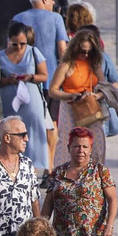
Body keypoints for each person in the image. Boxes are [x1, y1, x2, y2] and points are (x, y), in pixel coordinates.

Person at [41, 128, 117, 236]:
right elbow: (48, 203)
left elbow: (113, 200)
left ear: (90, 149)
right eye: (76, 146)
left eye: (85, 147)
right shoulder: (58, 172)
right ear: (69, 147)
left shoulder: (100, 171)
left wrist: (110, 225)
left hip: (91, 235)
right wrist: (41, 228)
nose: (81, 151)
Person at [47, 30, 108, 163]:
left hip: (90, 105)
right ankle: (64, 174)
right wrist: (70, 95)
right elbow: (53, 90)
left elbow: (105, 87)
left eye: (89, 52)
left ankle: (94, 175)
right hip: (70, 105)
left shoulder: (94, 65)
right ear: (75, 48)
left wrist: (96, 95)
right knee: (68, 142)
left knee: (97, 143)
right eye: (82, 51)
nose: (85, 55)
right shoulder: (66, 65)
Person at [0, 22, 50, 172]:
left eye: (23, 43)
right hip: (9, 101)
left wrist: (30, 76)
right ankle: (10, 167)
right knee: (10, 134)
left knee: (32, 134)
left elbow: (44, 75)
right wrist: (8, 80)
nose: (20, 47)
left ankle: (32, 171)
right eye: (15, 44)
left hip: (31, 102)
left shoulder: (33, 52)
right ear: (9, 40)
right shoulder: (0, 56)